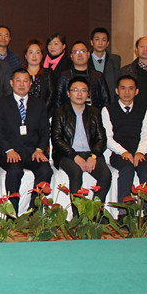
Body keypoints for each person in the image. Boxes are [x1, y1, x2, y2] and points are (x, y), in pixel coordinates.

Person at [0, 69, 52, 214]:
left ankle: (34, 212)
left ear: (30, 84)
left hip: (33, 151)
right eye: (18, 80)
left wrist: (40, 149)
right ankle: (12, 214)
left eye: (25, 81)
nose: (21, 84)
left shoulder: (39, 104)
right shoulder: (1, 103)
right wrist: (8, 150)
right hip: (10, 151)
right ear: (11, 83)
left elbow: (45, 130)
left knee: (45, 170)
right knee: (15, 171)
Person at [51, 77, 111, 205]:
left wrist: (93, 156)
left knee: (105, 175)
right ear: (68, 93)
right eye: (75, 90)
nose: (79, 94)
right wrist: (74, 156)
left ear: (88, 94)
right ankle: (78, 214)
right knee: (76, 172)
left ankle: (95, 211)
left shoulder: (94, 112)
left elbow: (102, 139)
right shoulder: (60, 112)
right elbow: (57, 139)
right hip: (67, 154)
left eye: (84, 90)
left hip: (91, 153)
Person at [101, 75, 147, 210]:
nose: (127, 92)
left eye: (131, 88)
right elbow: (107, 137)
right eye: (123, 88)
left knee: (146, 169)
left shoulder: (144, 110)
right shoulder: (107, 110)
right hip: (119, 153)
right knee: (127, 169)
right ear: (117, 91)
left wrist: (140, 152)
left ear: (137, 91)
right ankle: (124, 211)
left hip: (140, 151)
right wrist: (123, 152)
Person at [53, 41, 111, 110]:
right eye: (76, 52)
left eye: (83, 51)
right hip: (69, 114)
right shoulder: (64, 76)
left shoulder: (98, 76)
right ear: (71, 56)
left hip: (93, 114)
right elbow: (57, 101)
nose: (80, 55)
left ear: (88, 54)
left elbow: (106, 100)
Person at [22, 38, 55, 117]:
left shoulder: (48, 73)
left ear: (42, 55)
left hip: (44, 114)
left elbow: (51, 94)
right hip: (24, 115)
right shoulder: (21, 74)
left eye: (37, 52)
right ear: (26, 55)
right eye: (31, 52)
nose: (34, 56)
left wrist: (42, 112)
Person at [89, 27, 121, 93]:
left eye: (103, 40)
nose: (100, 43)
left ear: (107, 43)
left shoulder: (115, 60)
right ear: (92, 42)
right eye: (97, 40)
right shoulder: (86, 59)